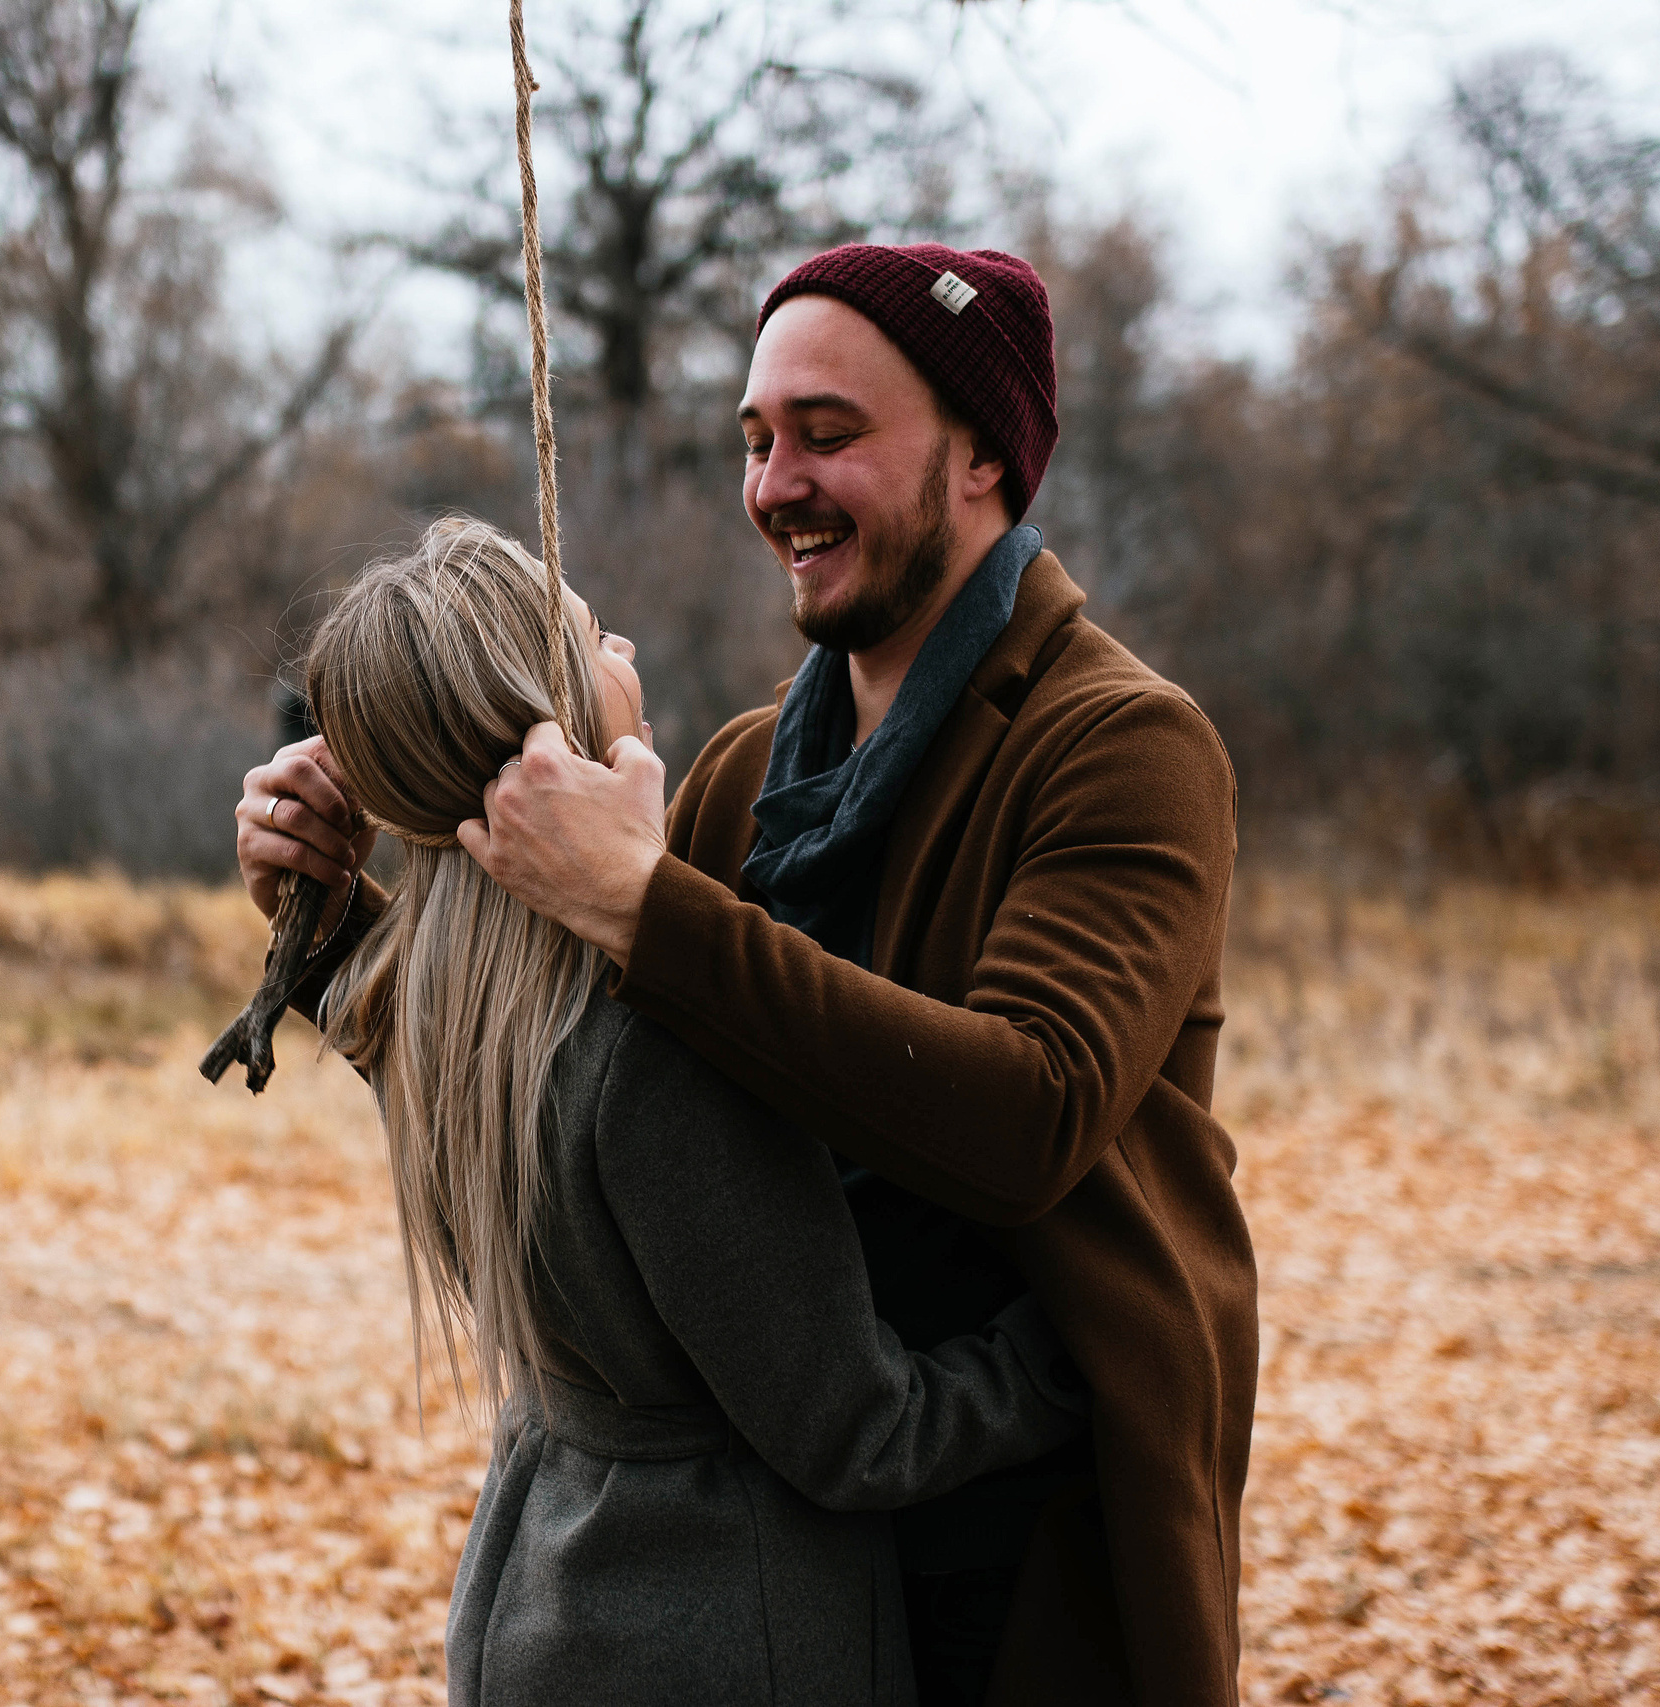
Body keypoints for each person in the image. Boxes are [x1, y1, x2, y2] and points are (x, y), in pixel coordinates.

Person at [239, 245, 1254, 1707]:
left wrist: (649, 905)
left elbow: (1033, 1111)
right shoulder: (733, 768)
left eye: (830, 432)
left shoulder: (1123, 745)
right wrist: (334, 923)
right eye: (757, 437)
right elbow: (569, 1090)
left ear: (982, 455)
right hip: (790, 1553)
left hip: (1030, 1536)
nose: (777, 479)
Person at [270, 517, 1088, 1706]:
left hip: (536, 1602)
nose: (630, 645)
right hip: (715, 1640)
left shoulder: (421, 1004)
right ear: (545, 723)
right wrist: (1063, 1356)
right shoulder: (658, 1048)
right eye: (597, 637)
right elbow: (858, 1432)